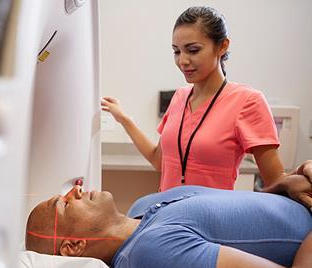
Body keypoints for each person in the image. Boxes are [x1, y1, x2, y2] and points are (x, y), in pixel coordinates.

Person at [25, 172, 312, 268]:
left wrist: (282, 187)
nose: (75, 189)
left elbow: (242, 224)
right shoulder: (153, 256)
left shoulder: (143, 207)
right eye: (63, 204)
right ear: (73, 246)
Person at [101, 6, 289, 192]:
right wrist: (124, 119)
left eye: (192, 50)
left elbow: (275, 180)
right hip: (168, 214)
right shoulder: (179, 97)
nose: (182, 60)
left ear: (222, 46)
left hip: (210, 219)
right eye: (177, 51)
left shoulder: (248, 101)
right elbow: (160, 161)